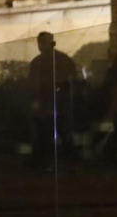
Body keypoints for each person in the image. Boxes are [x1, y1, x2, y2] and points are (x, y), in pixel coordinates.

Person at [27, 31, 79, 168]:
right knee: (65, 136)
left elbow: (33, 86)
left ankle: (43, 166)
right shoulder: (65, 60)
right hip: (61, 106)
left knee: (43, 138)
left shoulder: (37, 62)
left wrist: (36, 103)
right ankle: (71, 166)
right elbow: (73, 82)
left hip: (46, 107)